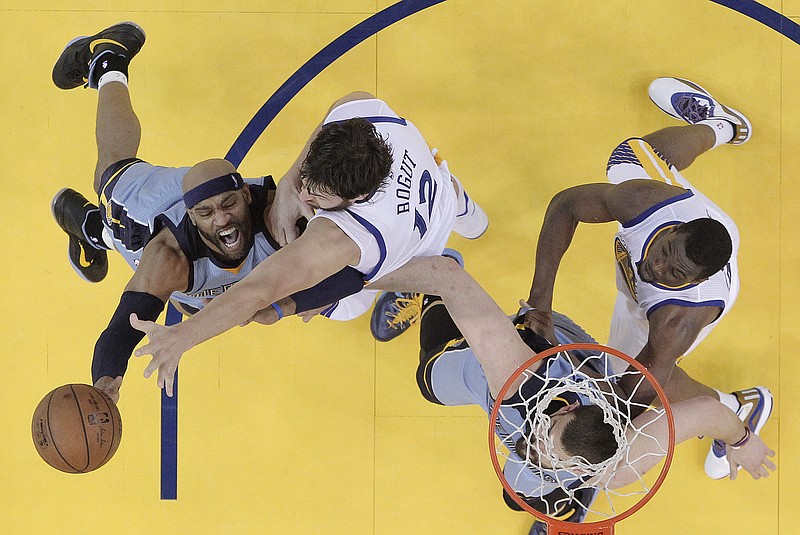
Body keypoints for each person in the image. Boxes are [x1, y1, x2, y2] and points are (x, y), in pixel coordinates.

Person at [129, 49, 489, 397]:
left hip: (413, 248)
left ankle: (419, 278)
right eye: (309, 180)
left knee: (349, 302)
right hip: (436, 191)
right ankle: (469, 214)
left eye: (320, 198)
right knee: (448, 192)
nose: (307, 195)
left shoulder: (346, 236)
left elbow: (260, 289)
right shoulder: (373, 123)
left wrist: (183, 336)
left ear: (356, 200)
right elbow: (346, 103)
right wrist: (290, 179)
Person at [50, 22, 364, 402]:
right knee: (109, 173)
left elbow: (355, 272)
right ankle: (108, 61)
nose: (221, 220)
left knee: (342, 301)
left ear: (247, 195)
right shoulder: (168, 257)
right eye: (208, 213)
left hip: (205, 203)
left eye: (229, 205)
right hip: (147, 212)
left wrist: (291, 305)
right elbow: (124, 325)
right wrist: (105, 382)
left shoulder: (283, 217)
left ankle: (88, 226)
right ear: (192, 215)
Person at [365, 254, 775, 528]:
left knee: (518, 496)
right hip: (540, 347)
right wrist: (340, 278)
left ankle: (566, 503)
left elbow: (707, 412)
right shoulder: (517, 378)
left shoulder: (622, 468)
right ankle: (429, 290)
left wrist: (741, 439)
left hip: (572, 411)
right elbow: (449, 278)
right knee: (427, 380)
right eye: (550, 430)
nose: (540, 438)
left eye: (552, 449)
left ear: (583, 469)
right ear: (567, 409)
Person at [518, 77, 772, 480]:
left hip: (674, 304)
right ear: (672, 229)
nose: (655, 268)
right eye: (662, 253)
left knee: (640, 376)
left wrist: (582, 399)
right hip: (703, 227)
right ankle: (722, 124)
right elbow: (565, 205)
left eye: (674, 273)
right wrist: (539, 303)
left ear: (693, 279)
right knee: (628, 157)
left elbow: (637, 391)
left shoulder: (678, 317)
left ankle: (737, 410)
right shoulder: (647, 203)